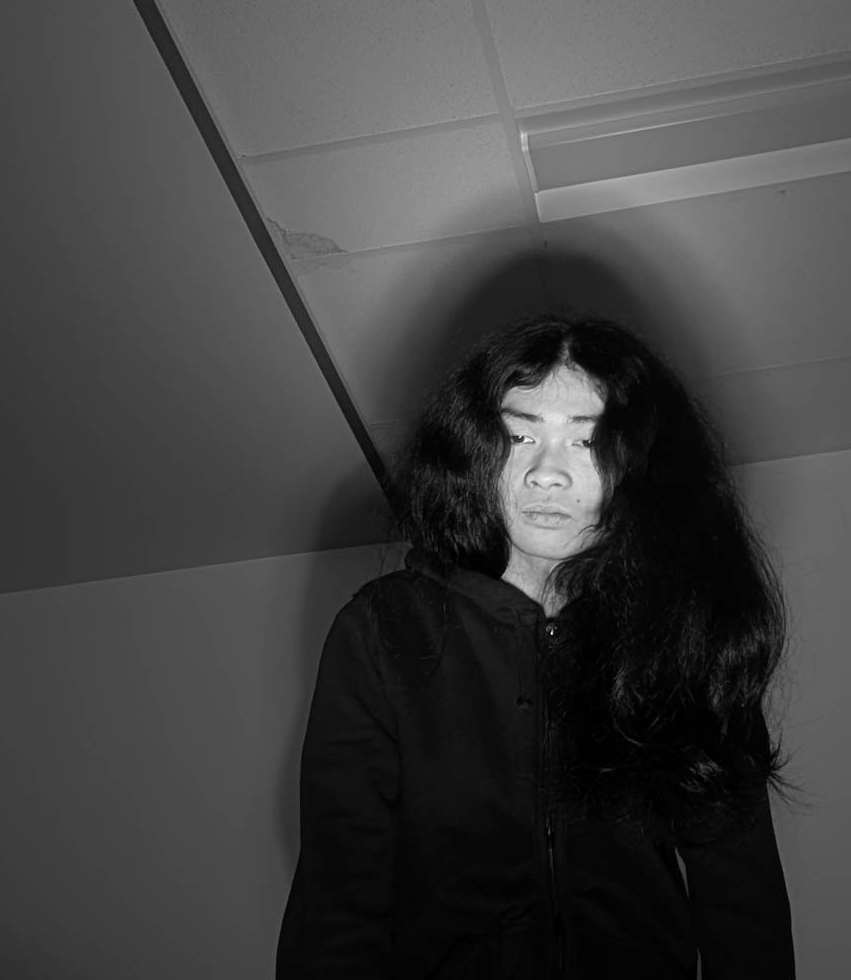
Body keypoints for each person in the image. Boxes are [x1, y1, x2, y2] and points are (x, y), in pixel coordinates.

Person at [276, 314, 800, 978]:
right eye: (520, 434)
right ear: (475, 448)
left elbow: (742, 901)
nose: (546, 473)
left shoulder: (684, 633)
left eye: (587, 440)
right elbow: (339, 890)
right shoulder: (383, 629)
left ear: (640, 465)